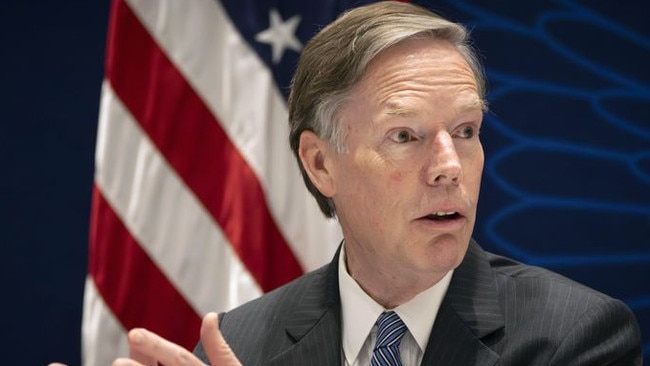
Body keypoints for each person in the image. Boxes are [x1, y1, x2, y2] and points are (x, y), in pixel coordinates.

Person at [77, 1, 642, 365]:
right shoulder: (239, 346)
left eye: (466, 130)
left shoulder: (577, 337)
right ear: (321, 165)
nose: (450, 164)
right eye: (405, 135)